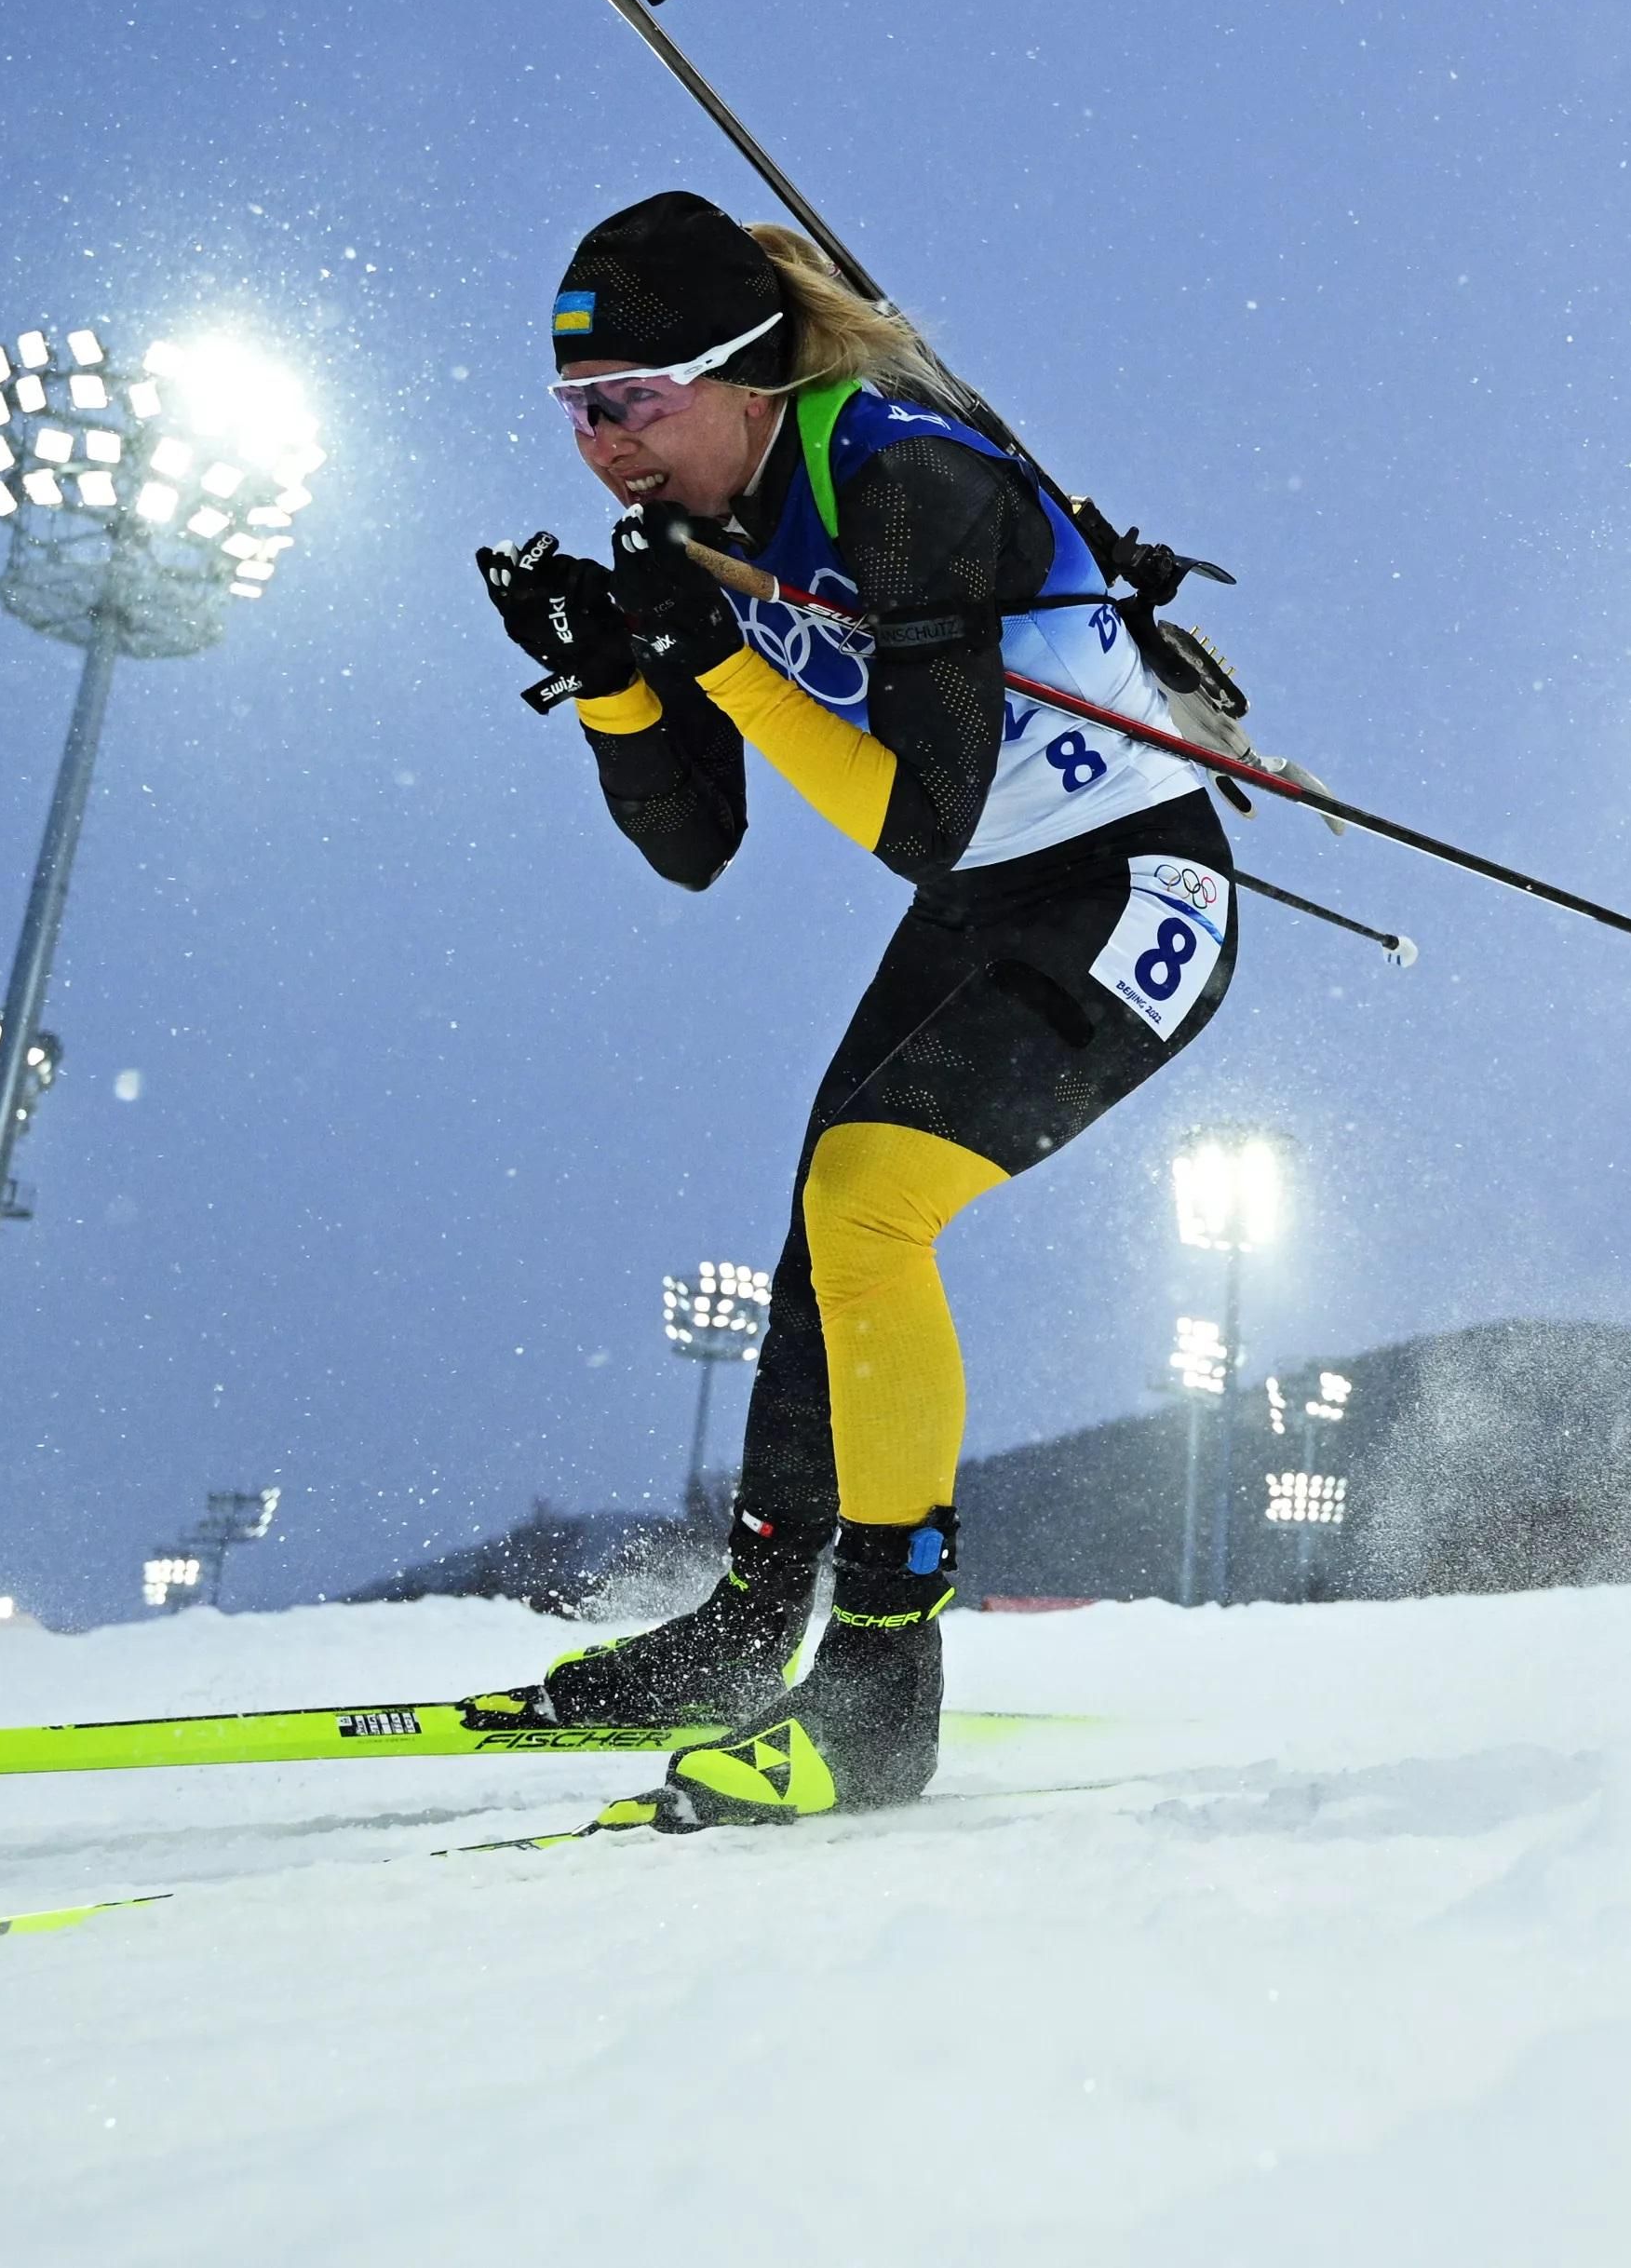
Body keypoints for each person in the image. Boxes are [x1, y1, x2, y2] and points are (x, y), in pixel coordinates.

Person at [469, 191, 1243, 1826]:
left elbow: (922, 815)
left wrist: (723, 657)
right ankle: (757, 1631)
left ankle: (882, 1685)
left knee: (870, 1198)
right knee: (821, 1232)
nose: (603, 447)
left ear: (743, 375)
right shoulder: (694, 527)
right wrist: (616, 670)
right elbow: (697, 842)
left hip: (1126, 891)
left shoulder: (905, 479)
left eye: (631, 402)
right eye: (576, 415)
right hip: (986, 902)